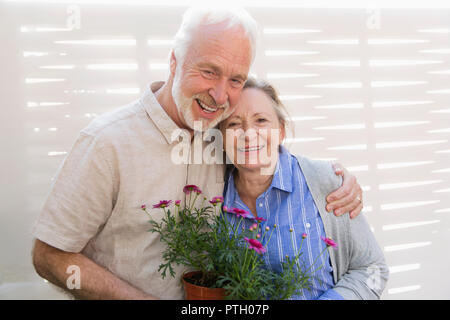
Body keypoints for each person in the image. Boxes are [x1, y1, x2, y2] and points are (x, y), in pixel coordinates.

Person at [31, 7, 363, 300]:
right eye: (208, 71)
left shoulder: (221, 131)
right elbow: (48, 255)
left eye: (235, 79)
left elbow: (267, 151)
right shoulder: (106, 143)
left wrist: (333, 176)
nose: (220, 94)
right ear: (174, 60)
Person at [219, 77, 389, 299]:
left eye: (260, 120)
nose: (248, 133)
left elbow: (373, 270)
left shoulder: (325, 182)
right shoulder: (211, 198)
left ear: (280, 131)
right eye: (233, 123)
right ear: (221, 136)